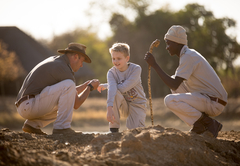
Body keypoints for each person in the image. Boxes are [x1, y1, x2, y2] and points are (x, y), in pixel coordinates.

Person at [144, 25, 228, 138]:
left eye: (169, 43)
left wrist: (155, 65)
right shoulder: (187, 55)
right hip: (207, 98)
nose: (167, 47)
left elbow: (173, 83)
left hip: (214, 103)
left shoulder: (188, 56)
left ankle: (209, 123)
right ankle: (199, 125)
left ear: (177, 43)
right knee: (175, 86)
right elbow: (175, 85)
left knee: (169, 100)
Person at [15, 43, 100, 135]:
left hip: (25, 105)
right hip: (30, 105)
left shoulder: (57, 62)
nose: (81, 65)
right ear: (75, 57)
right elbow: (76, 103)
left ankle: (32, 125)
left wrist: (84, 86)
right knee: (69, 86)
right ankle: (62, 128)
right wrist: (90, 88)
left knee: (65, 98)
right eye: (82, 61)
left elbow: (67, 94)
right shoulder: (64, 69)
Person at [98, 43, 147, 133]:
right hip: (123, 103)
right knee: (114, 92)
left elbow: (124, 87)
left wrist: (107, 86)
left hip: (137, 104)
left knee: (135, 132)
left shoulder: (135, 69)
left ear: (127, 58)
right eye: (113, 59)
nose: (116, 61)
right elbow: (113, 89)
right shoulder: (111, 72)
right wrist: (109, 108)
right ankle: (114, 129)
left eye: (119, 58)